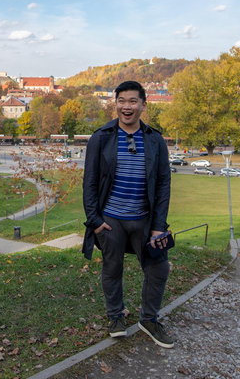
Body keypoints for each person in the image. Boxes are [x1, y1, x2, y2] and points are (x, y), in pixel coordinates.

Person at [81, 80, 174, 348]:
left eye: (133, 101)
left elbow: (164, 183)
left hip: (145, 221)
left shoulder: (155, 140)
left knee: (158, 268)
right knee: (113, 268)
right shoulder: (101, 138)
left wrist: (158, 226)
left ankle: (149, 319)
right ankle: (115, 316)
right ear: (116, 104)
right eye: (121, 100)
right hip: (111, 220)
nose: (127, 106)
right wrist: (95, 222)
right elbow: (90, 182)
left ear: (143, 105)